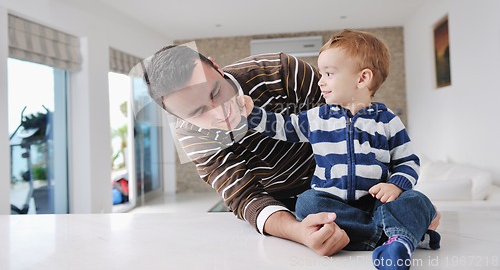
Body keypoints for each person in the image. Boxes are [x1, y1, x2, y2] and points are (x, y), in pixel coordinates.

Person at [143, 42, 440, 257]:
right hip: (297, 205)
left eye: (215, 92)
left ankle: (396, 222)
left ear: (217, 67)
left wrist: (392, 188)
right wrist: (300, 232)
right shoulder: (191, 135)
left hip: (357, 187)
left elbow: (351, 117)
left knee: (411, 199)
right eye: (198, 112)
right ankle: (403, 230)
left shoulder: (279, 69)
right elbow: (245, 197)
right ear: (180, 118)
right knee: (309, 205)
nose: (220, 113)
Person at [243, 29, 441, 269]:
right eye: (320, 73)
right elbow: (284, 127)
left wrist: (396, 185)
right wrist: (251, 114)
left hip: (377, 203)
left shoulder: (387, 120)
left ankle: (390, 239)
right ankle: (397, 237)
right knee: (306, 203)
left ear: (362, 79)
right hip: (335, 205)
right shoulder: (317, 117)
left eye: (329, 73)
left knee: (417, 199)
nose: (320, 81)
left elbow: (408, 161)